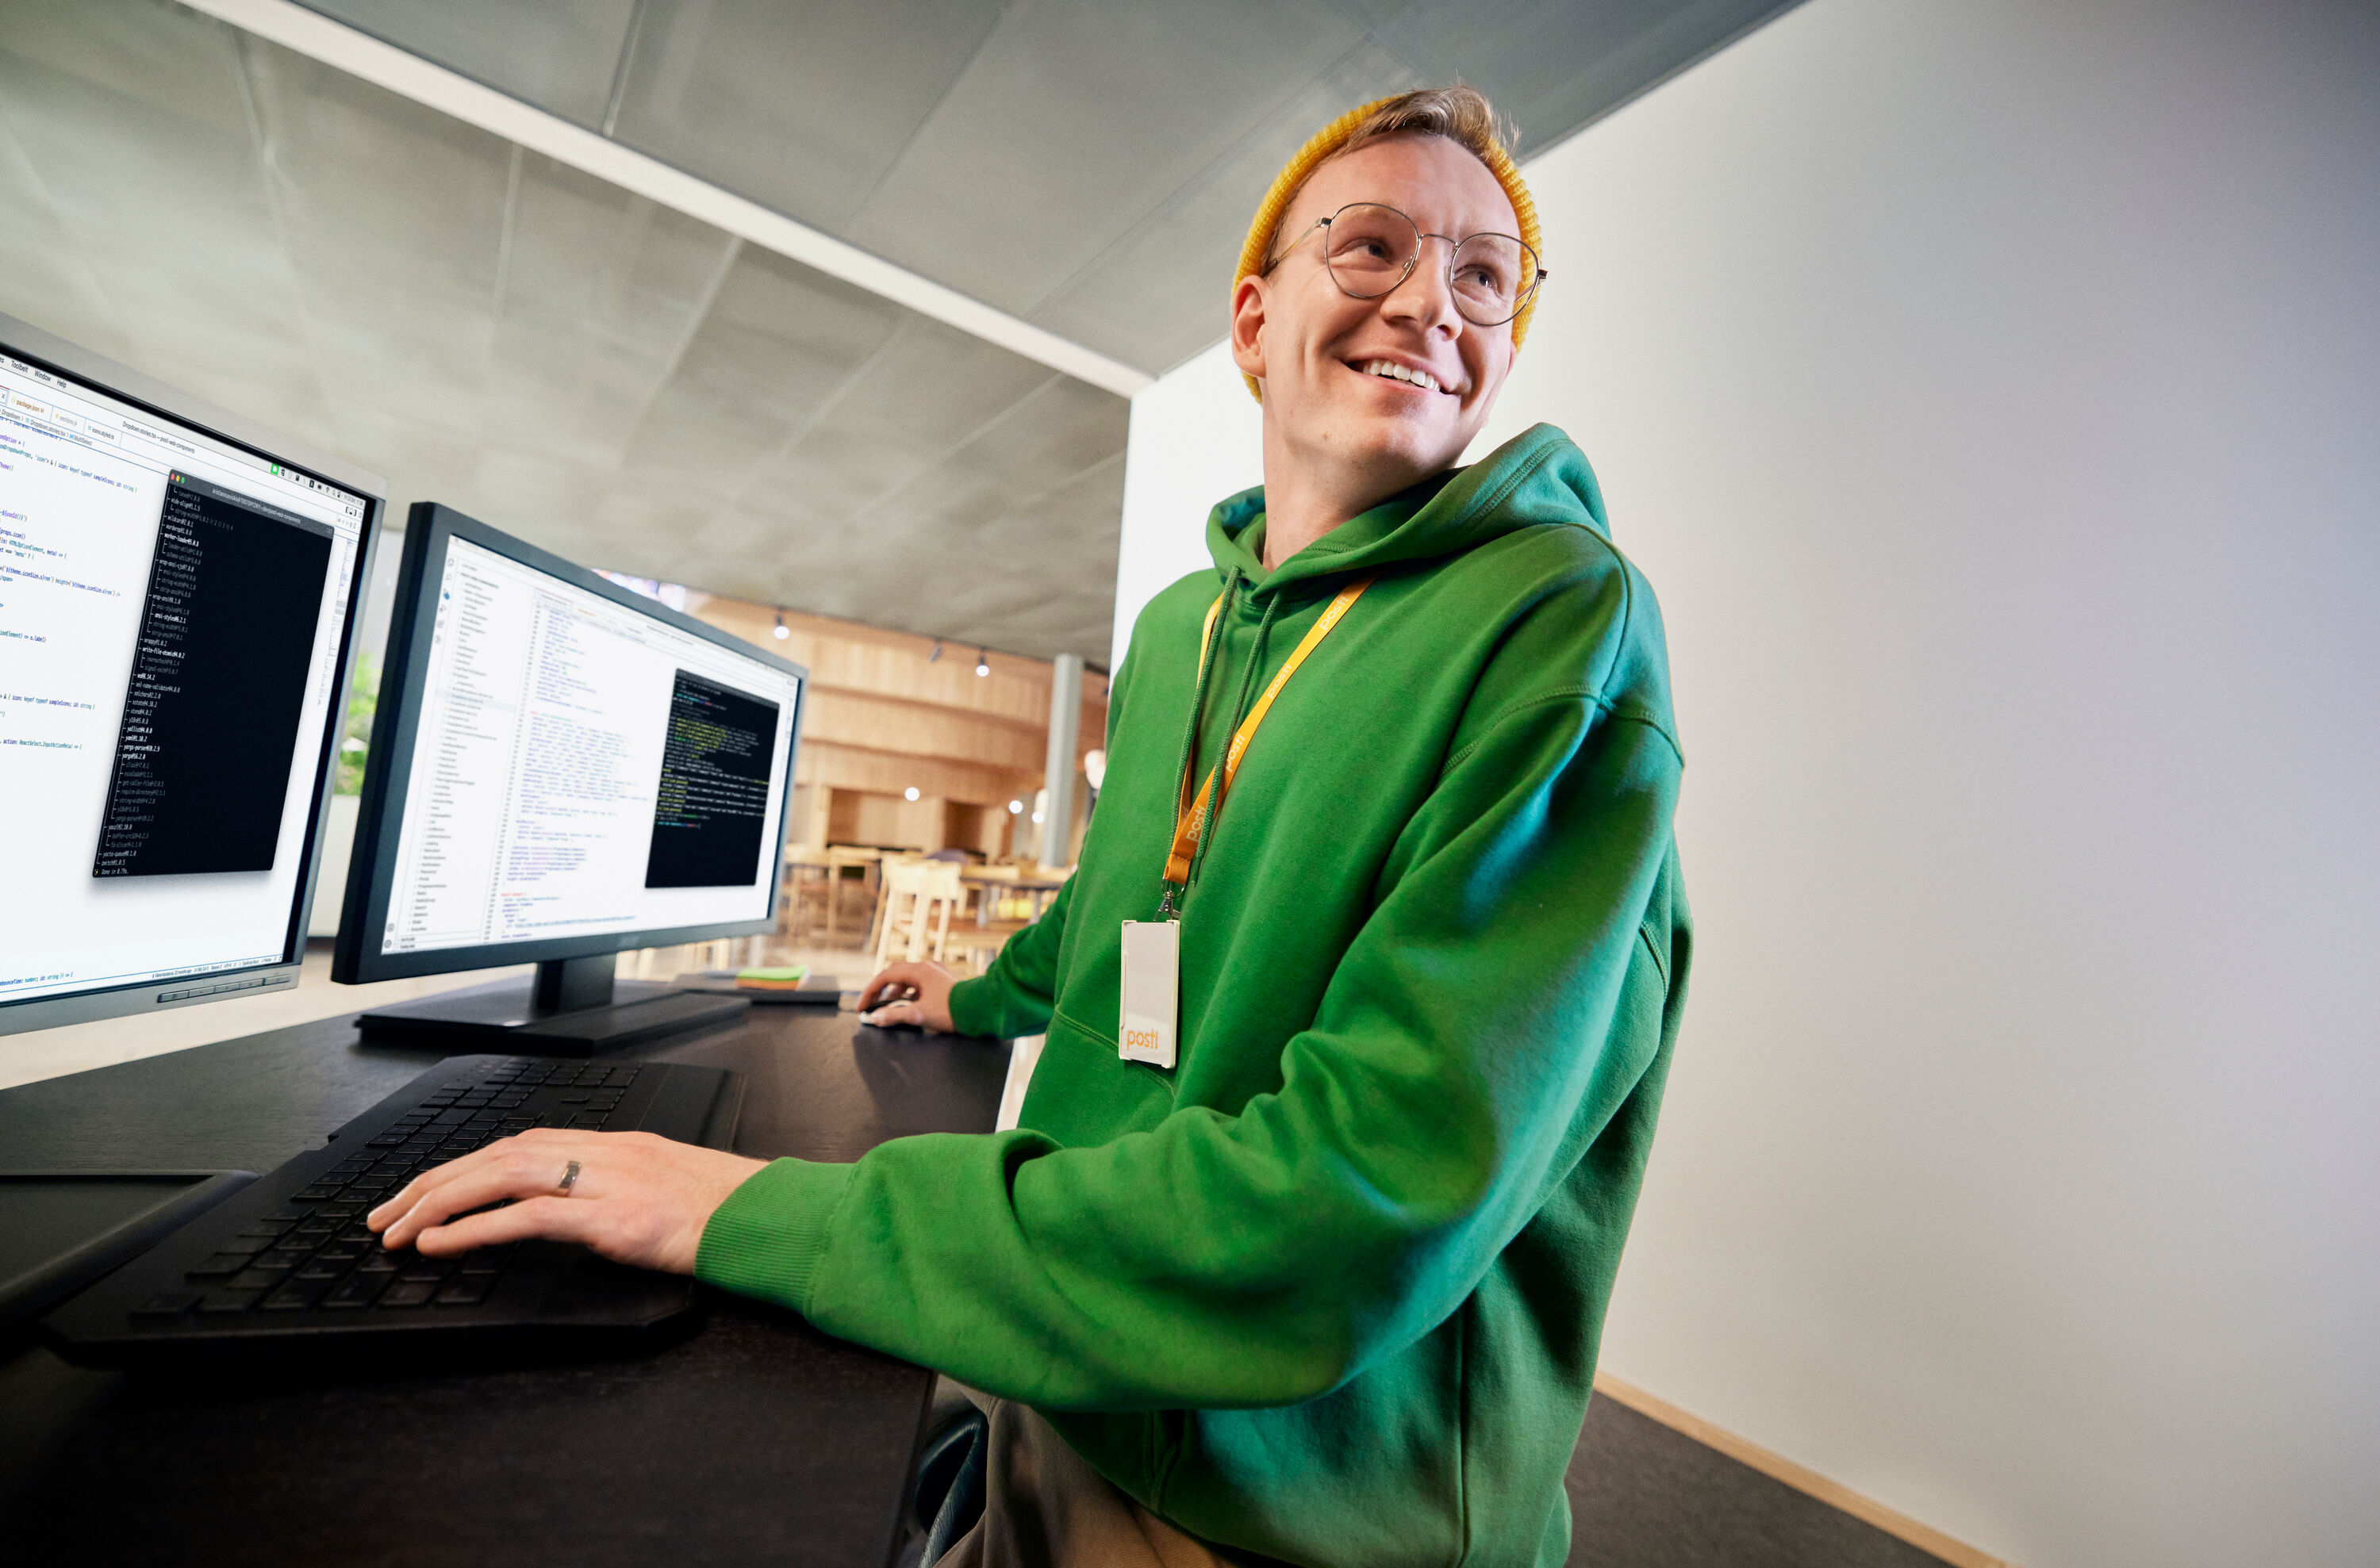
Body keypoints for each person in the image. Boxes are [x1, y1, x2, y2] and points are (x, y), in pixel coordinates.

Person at [370, 85, 1691, 1568]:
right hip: (1061, 1369)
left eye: (1483, 275)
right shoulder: (1189, 621)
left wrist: (753, 1213)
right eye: (1372, 246)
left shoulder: (1558, 624)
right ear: (1253, 322)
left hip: (1289, 1506)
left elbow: (1355, 1210)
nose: (1430, 304)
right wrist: (985, 989)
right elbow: (1135, 900)